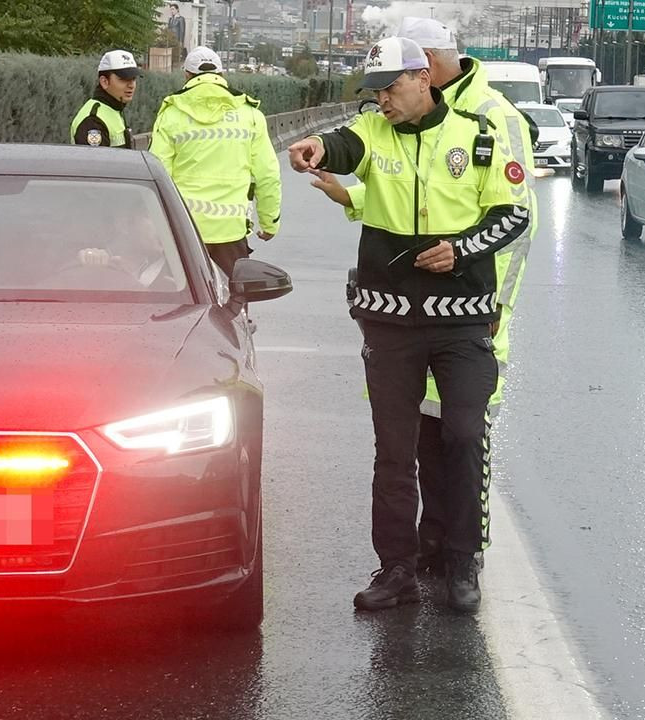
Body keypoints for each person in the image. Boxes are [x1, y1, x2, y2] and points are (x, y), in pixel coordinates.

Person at [288, 36, 532, 614]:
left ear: (423, 78)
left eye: (391, 88)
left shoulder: (478, 137)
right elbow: (340, 144)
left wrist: (462, 249)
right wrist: (313, 147)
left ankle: (461, 558)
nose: (382, 101)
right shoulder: (373, 131)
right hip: (391, 324)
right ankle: (396, 568)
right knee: (394, 451)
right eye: (373, 92)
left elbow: (514, 212)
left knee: (464, 435)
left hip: (464, 325)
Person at [148, 46, 281, 278]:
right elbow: (268, 175)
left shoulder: (171, 114)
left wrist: (155, 229)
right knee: (235, 302)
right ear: (221, 76)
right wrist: (270, 223)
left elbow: (157, 175)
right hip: (232, 231)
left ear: (187, 76)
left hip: (183, 231)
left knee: (183, 305)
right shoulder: (250, 115)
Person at [70, 50, 141, 149]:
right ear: (104, 82)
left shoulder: (114, 109)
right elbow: (95, 163)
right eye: (124, 79)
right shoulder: (93, 120)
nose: (131, 85)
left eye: (133, 79)